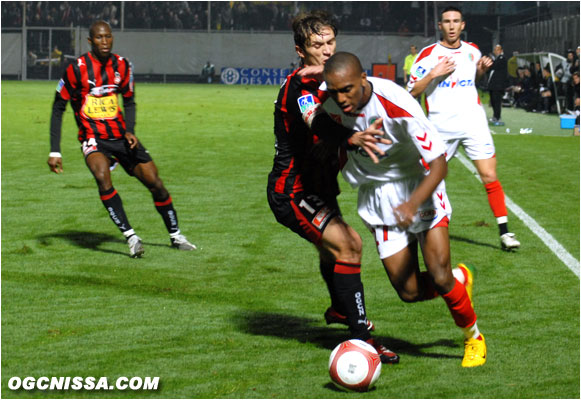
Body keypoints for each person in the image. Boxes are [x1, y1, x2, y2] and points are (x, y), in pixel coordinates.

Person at [321, 52, 486, 368]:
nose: (340, 98)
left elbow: (439, 164)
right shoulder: (329, 104)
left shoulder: (397, 104)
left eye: (347, 90)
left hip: (418, 185)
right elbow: (322, 127)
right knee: (408, 292)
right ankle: (459, 279)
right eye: (334, 91)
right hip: (378, 197)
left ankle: (473, 338)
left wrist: (412, 203)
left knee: (438, 274)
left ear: (363, 79)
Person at [266, 11, 399, 364]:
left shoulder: (332, 81)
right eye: (316, 45)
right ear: (300, 50)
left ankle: (341, 310)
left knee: (332, 252)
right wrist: (351, 138)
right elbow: (318, 123)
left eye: (330, 43)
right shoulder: (299, 87)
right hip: (292, 191)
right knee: (350, 245)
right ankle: (362, 339)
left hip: (320, 188)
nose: (326, 51)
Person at [48, 20, 196, 257]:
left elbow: (129, 100)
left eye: (108, 37)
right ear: (90, 41)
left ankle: (176, 236)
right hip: (93, 137)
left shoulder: (122, 65)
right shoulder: (76, 68)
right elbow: (58, 107)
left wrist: (130, 130)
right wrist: (55, 150)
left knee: (155, 183)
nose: (104, 42)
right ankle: (131, 236)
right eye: (99, 38)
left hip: (120, 136)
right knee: (102, 176)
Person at [407, 6, 520, 251]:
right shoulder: (428, 54)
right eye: (446, 21)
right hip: (440, 127)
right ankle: (428, 228)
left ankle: (505, 232)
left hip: (473, 122)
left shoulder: (472, 51)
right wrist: (433, 74)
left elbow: (473, 82)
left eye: (455, 21)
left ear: (462, 25)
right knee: (430, 180)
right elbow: (412, 91)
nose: (451, 25)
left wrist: (480, 71)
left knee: (489, 176)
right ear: (440, 26)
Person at [487, 44, 508, 126]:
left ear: (501, 50)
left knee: (497, 101)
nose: (495, 51)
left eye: (497, 49)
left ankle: (497, 117)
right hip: (493, 85)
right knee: (493, 101)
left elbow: (495, 66)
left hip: (498, 85)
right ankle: (495, 116)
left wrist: (491, 60)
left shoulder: (502, 58)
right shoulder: (497, 59)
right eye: (495, 49)